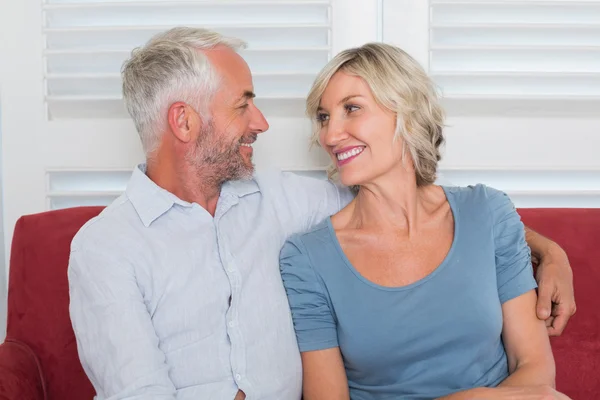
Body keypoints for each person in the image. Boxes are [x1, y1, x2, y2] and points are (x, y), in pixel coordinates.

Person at [67, 27, 575, 400]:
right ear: (184, 121)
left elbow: (408, 208)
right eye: (243, 105)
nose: (262, 123)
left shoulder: (283, 201)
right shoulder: (106, 248)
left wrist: (548, 250)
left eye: (351, 110)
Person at [279, 43, 572, 400]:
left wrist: (552, 251)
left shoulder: (488, 212)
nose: (329, 135)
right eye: (324, 117)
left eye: (351, 109)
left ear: (407, 112)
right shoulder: (307, 258)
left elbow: (536, 370)